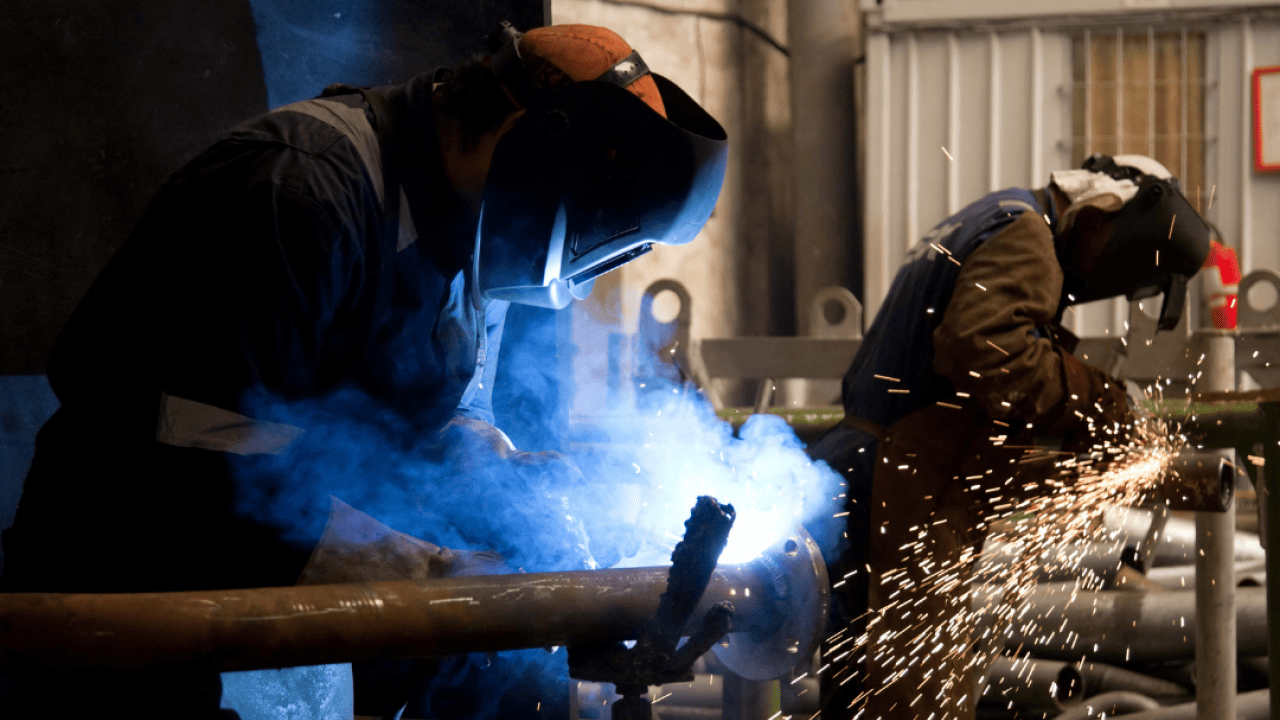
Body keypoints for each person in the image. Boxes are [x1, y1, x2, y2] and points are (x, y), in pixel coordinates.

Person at [0, 21, 727, 718]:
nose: (580, 271)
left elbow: (443, 438)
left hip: (275, 620)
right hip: (118, 608)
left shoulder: (472, 231)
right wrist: (449, 580)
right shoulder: (299, 192)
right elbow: (216, 480)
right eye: (591, 228)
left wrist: (551, 527)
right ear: (531, 150)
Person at [807, 154, 1211, 719]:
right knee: (912, 695)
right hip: (904, 488)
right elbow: (989, 351)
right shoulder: (1027, 234)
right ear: (1103, 215)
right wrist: (1106, 404)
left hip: (870, 468)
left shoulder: (992, 213)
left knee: (861, 683)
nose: (1101, 285)